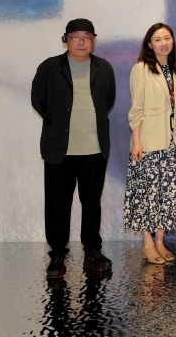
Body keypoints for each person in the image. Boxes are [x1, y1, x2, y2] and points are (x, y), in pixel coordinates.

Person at [31, 18, 116, 279]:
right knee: (57, 204)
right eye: (75, 37)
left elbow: (108, 100)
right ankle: (57, 254)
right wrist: (58, 123)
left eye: (87, 37)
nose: (81, 42)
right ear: (65, 40)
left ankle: (93, 251)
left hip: (94, 148)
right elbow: (38, 100)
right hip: (60, 149)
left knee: (92, 203)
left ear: (93, 41)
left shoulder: (104, 67)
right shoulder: (50, 67)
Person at [124, 23, 176, 264]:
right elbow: (136, 109)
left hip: (175, 143)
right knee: (146, 193)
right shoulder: (141, 69)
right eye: (158, 39)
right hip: (148, 143)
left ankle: (160, 241)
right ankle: (147, 243)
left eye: (167, 38)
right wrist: (136, 141)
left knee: (168, 195)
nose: (164, 43)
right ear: (150, 44)